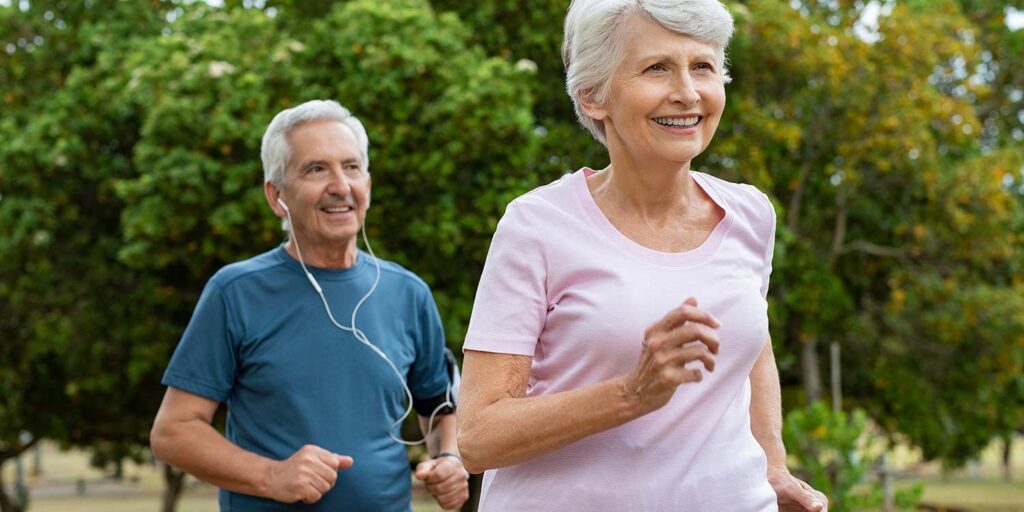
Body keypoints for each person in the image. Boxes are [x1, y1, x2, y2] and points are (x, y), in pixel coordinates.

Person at [457, 1, 829, 511]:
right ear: (592, 96)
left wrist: (772, 465)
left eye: (703, 66)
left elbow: (750, 348)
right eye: (657, 68)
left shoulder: (750, 215)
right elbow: (478, 438)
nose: (687, 92)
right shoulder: (536, 226)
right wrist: (632, 393)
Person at [150, 100, 469, 511]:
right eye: (316, 169)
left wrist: (448, 458)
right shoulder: (235, 292)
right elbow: (173, 432)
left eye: (351, 167)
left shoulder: (408, 292)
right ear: (277, 195)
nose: (340, 185)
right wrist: (272, 476)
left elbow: (440, 409)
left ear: (367, 185)